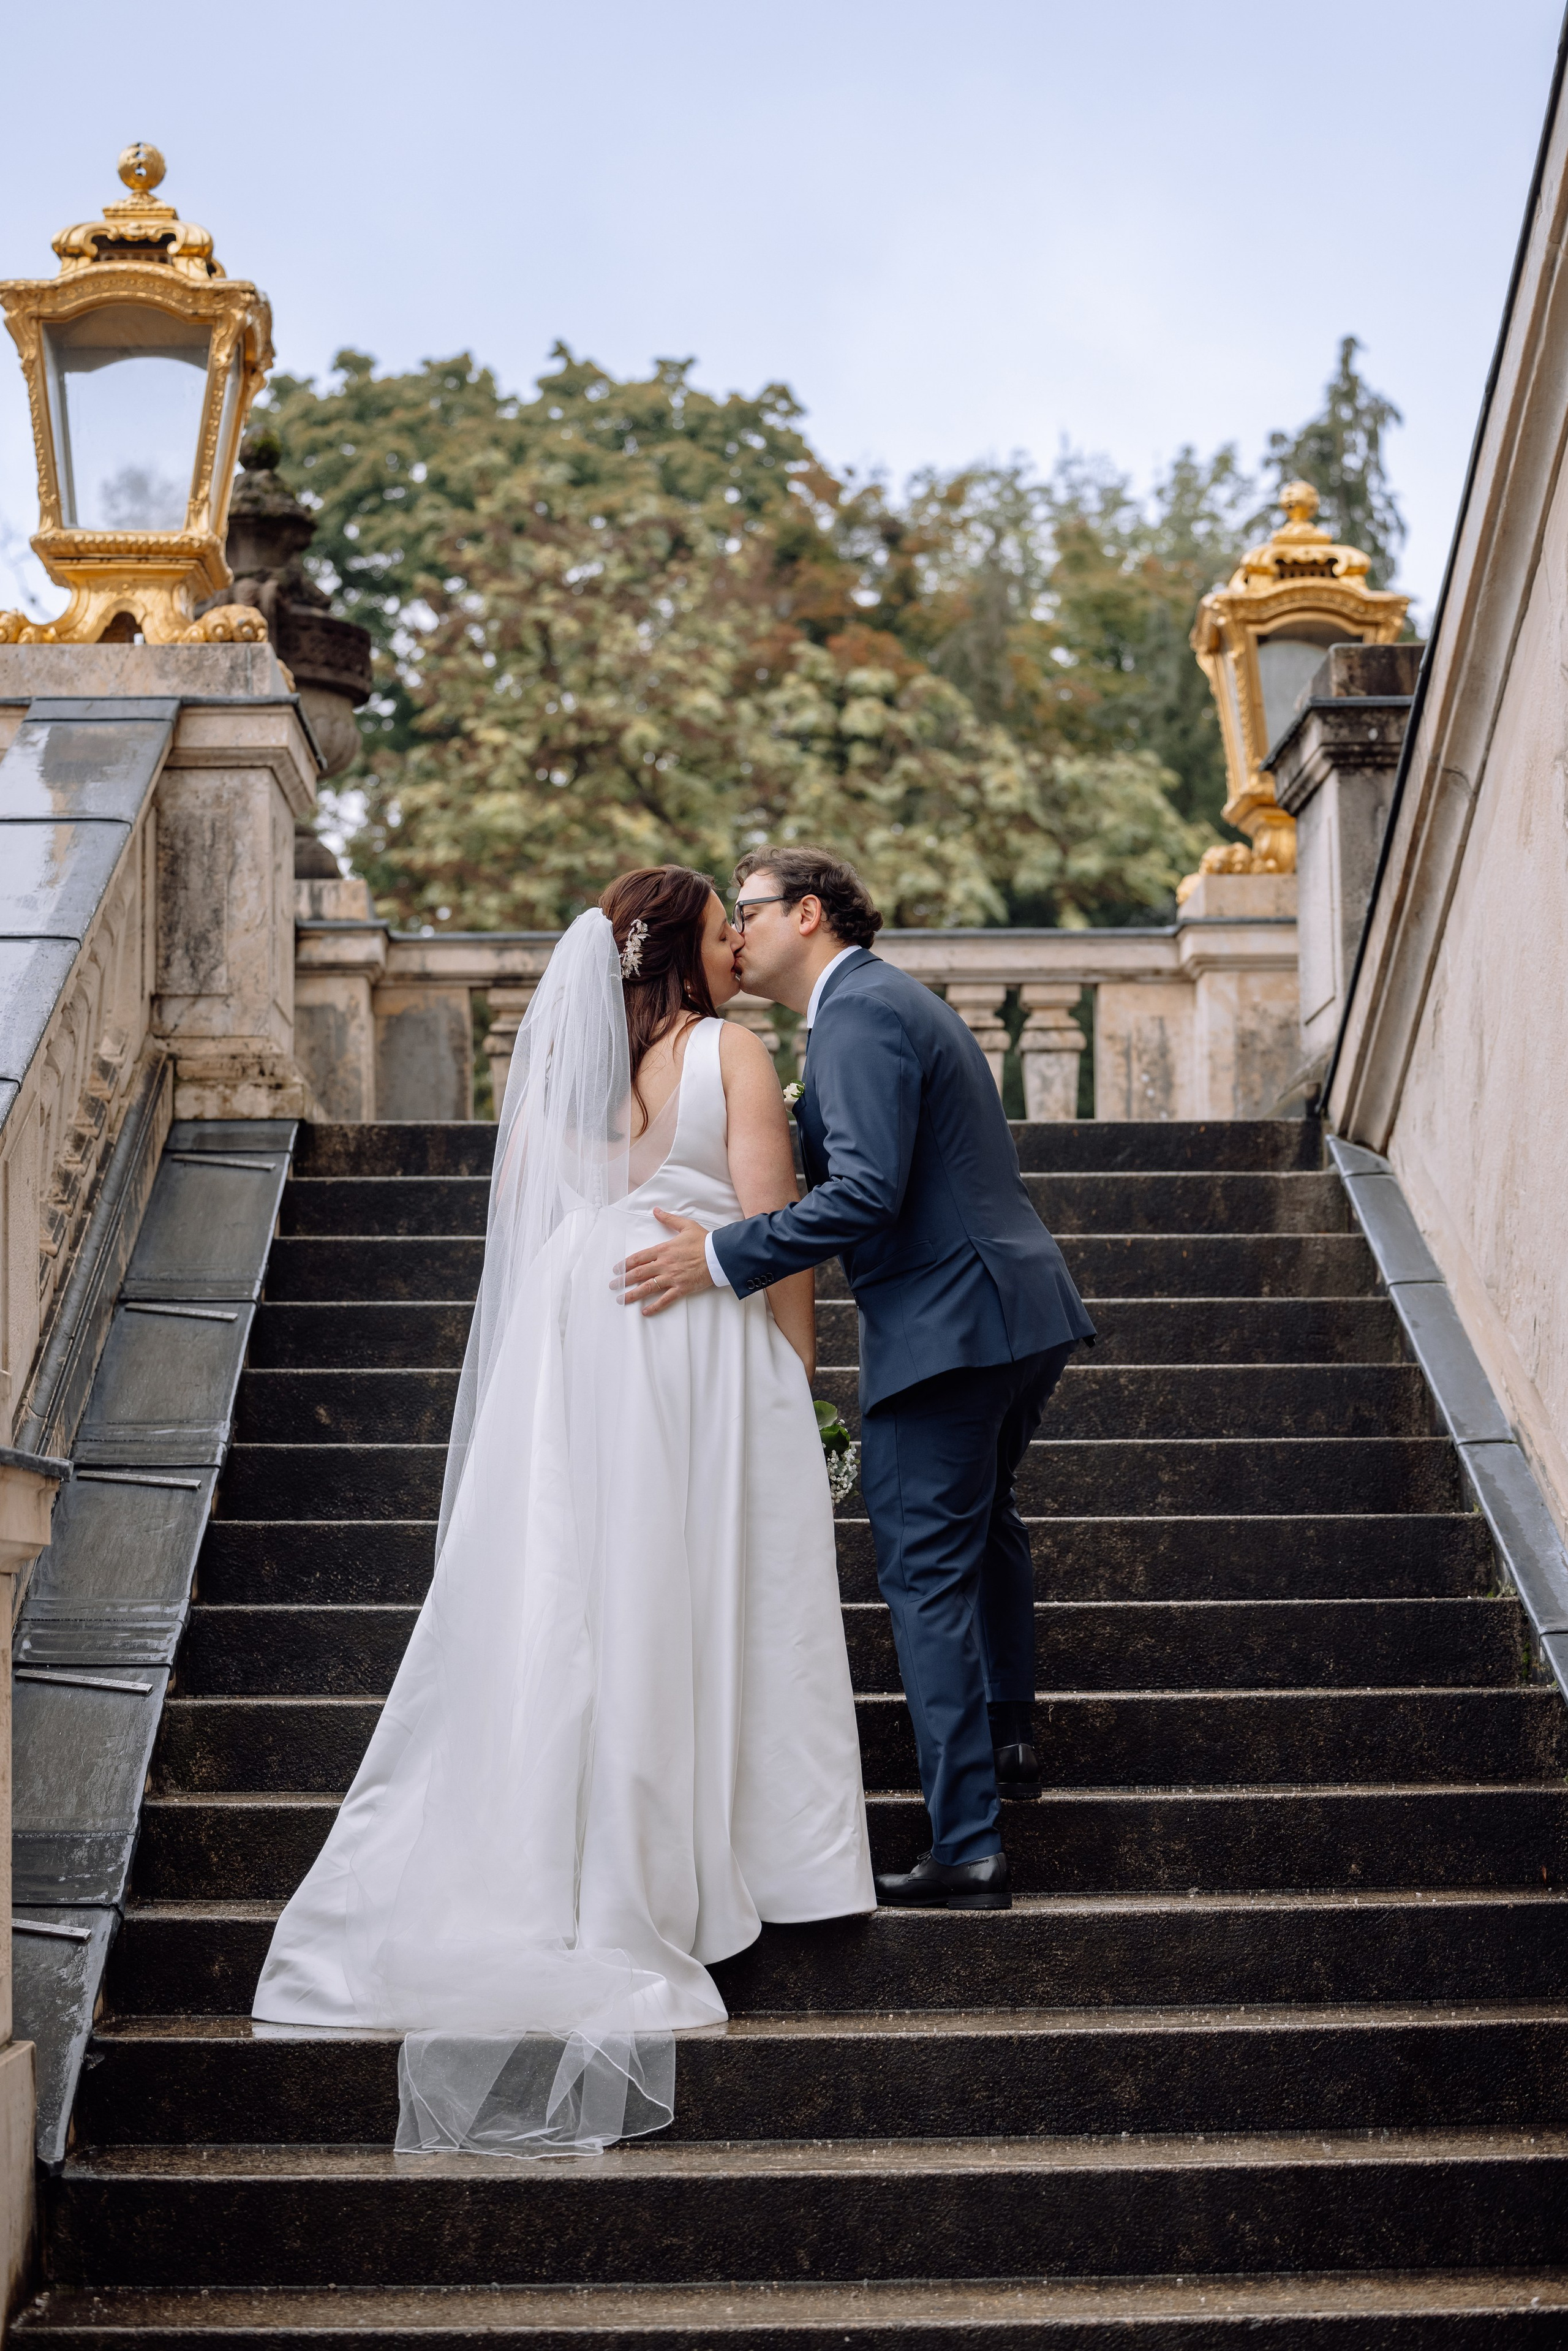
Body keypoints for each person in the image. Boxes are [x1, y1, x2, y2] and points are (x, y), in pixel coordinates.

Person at [252, 866, 874, 2154]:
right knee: (694, 1589)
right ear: (675, 956)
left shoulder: (565, 1077)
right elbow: (777, 1231)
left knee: (577, 1592)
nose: (734, 955)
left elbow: (563, 1205)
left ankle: (566, 1849)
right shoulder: (731, 1056)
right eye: (719, 935)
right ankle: (729, 1863)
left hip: (573, 1328)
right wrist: (799, 1390)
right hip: (690, 1335)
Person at [620, 847, 1096, 1914]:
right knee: (986, 1523)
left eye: (745, 913)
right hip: (1009, 1309)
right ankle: (1009, 1729)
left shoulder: (858, 1015)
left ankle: (968, 1843)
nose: (734, 935)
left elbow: (871, 1194)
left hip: (955, 1320)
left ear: (809, 913)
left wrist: (718, 1255)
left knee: (922, 1567)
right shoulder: (870, 1008)